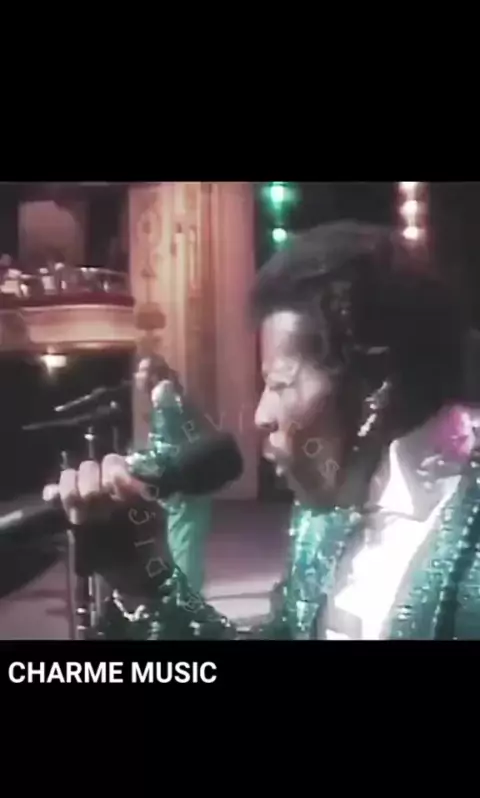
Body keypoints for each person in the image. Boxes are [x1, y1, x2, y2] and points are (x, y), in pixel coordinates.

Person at [46, 221, 480, 639]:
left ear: (375, 384)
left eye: (279, 384)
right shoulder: (321, 523)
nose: (260, 416)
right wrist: (145, 584)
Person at [129, 354, 212, 594]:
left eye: (142, 371)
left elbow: (166, 450)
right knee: (186, 547)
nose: (137, 376)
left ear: (154, 375)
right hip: (190, 484)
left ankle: (189, 606)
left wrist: (134, 463)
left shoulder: (164, 397)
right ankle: (190, 599)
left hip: (188, 486)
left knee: (184, 551)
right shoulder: (171, 396)